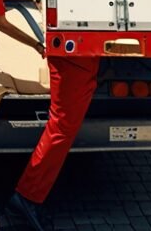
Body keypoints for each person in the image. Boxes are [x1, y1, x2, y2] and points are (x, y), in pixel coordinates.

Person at [8, 56, 101, 230]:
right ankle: (27, 195)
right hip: (76, 55)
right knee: (61, 128)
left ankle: (28, 194)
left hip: (78, 54)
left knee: (61, 127)